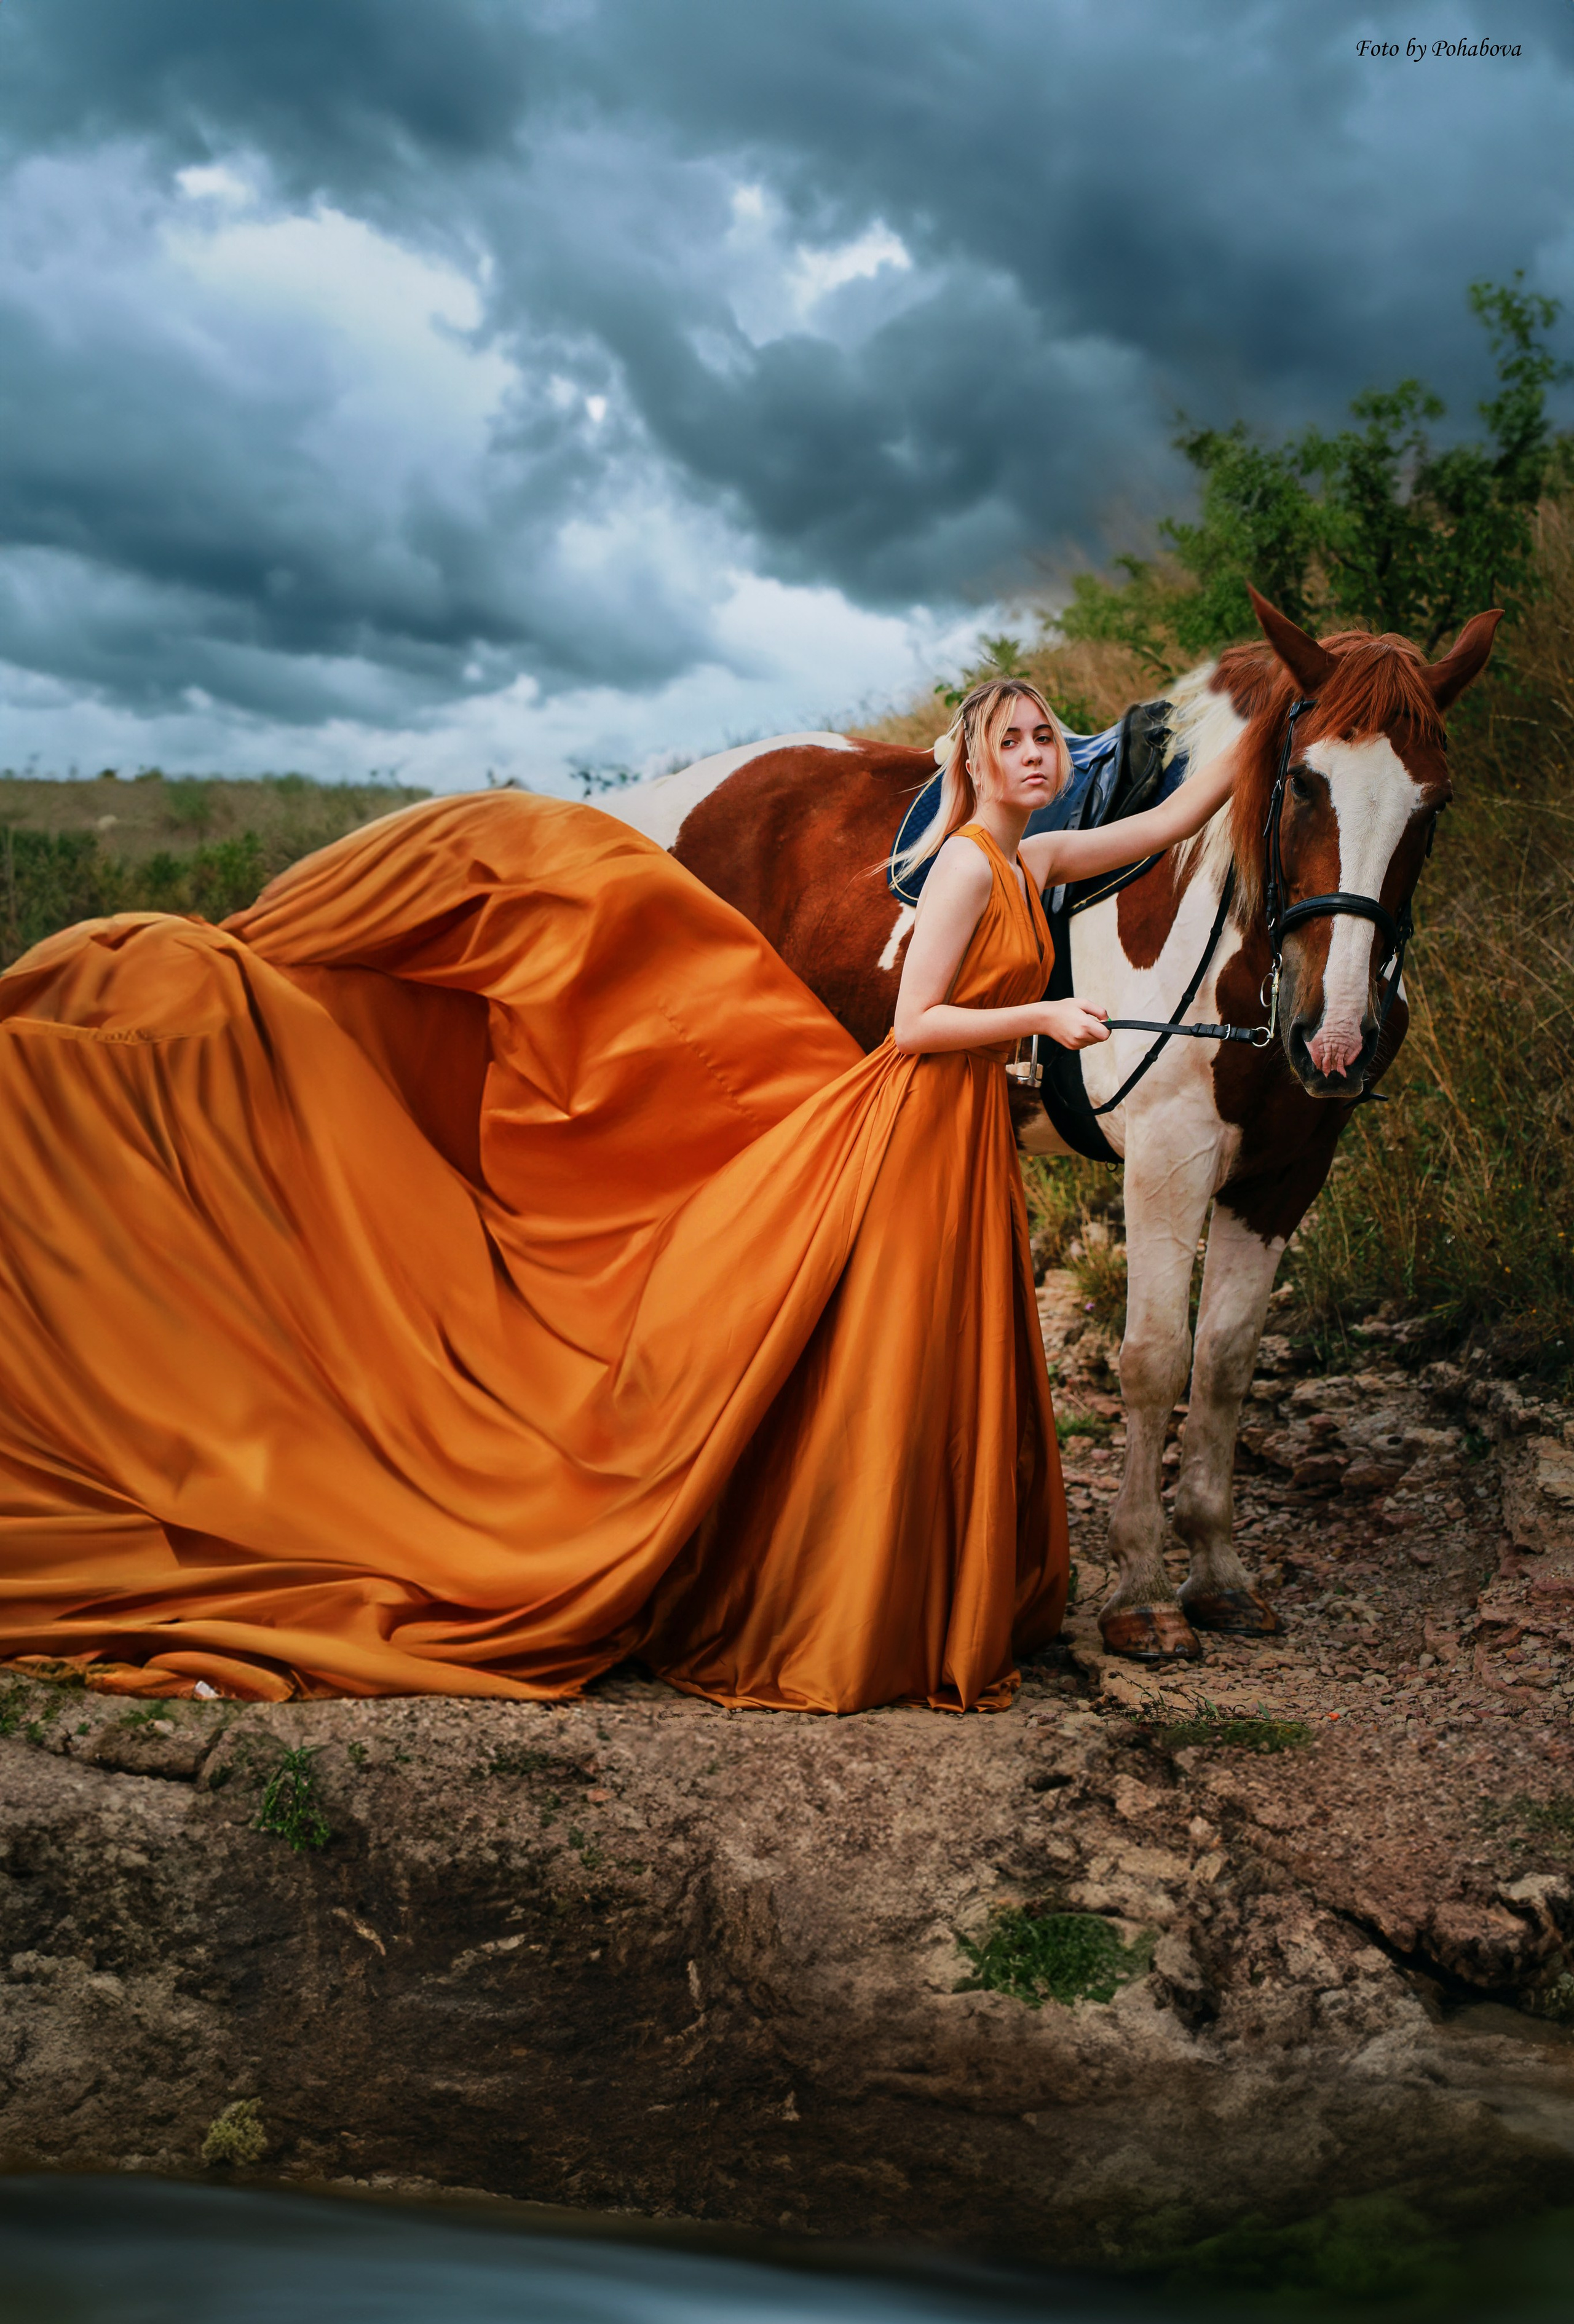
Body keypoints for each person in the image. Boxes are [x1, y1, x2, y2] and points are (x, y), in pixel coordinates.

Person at [0, 679, 1235, 1711]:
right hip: (920, 1121)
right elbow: (915, 1029)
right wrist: (1045, 1015)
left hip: (962, 1138)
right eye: (1013, 740)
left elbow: (1170, 813)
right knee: (887, 1353)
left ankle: (923, 1584)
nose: (1035, 755)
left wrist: (1260, 740)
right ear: (973, 758)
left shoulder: (1037, 856)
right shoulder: (968, 866)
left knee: (932, 1357)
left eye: (1043, 740)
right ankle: (848, 1599)